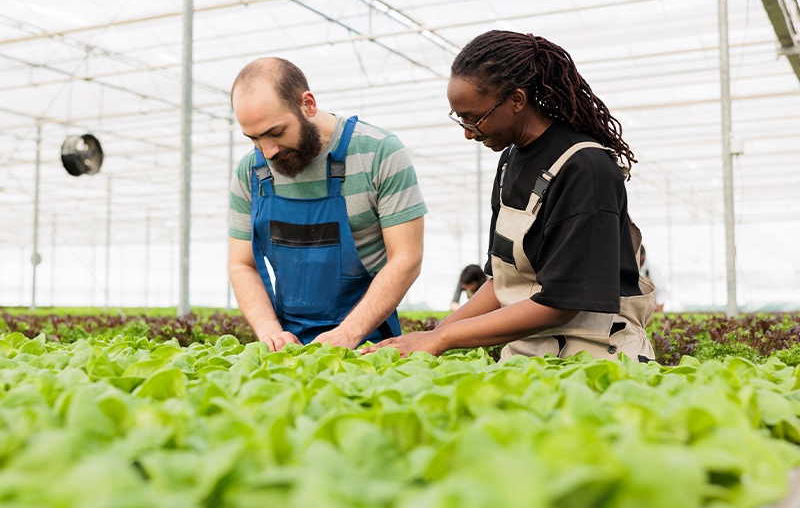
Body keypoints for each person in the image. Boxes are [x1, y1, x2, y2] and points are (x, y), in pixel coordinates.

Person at [362, 31, 656, 362]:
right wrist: (432, 336)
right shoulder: (509, 164)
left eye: (474, 118)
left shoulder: (584, 168)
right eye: (460, 119)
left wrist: (442, 338)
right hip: (531, 353)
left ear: (516, 100)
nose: (467, 132)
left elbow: (563, 302)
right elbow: (500, 283)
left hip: (596, 355)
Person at [228, 57, 427, 351]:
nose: (267, 151)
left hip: (368, 343)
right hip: (288, 345)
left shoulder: (379, 153)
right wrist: (270, 332)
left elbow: (406, 258)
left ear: (308, 104)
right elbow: (241, 264)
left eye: (276, 132)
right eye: (254, 138)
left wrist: (348, 334)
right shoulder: (250, 172)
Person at [639, 245, 668, 313]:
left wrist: (659, 307)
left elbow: (661, 290)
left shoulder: (652, 269)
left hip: (651, 309)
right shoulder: (626, 270)